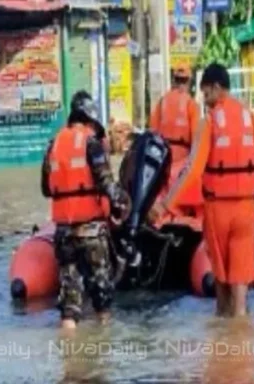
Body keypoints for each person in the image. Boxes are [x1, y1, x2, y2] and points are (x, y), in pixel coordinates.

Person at [159, 63, 254, 318]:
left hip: (217, 213)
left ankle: (222, 351)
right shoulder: (250, 118)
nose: (204, 99)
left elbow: (192, 170)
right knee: (241, 298)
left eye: (206, 93)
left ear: (215, 87)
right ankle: (243, 350)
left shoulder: (209, 122)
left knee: (221, 292)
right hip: (246, 211)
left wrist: (167, 204)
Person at [41, 91, 130, 330]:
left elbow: (46, 189)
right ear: (89, 119)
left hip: (63, 234)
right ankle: (102, 353)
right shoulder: (91, 143)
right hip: (91, 232)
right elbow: (108, 185)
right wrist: (124, 202)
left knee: (69, 305)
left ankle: (68, 358)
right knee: (102, 300)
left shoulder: (54, 144)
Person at [148, 63, 200, 166]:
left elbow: (153, 131)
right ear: (189, 81)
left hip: (163, 158)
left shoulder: (163, 102)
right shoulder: (191, 104)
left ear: (173, 80)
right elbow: (196, 138)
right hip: (183, 161)